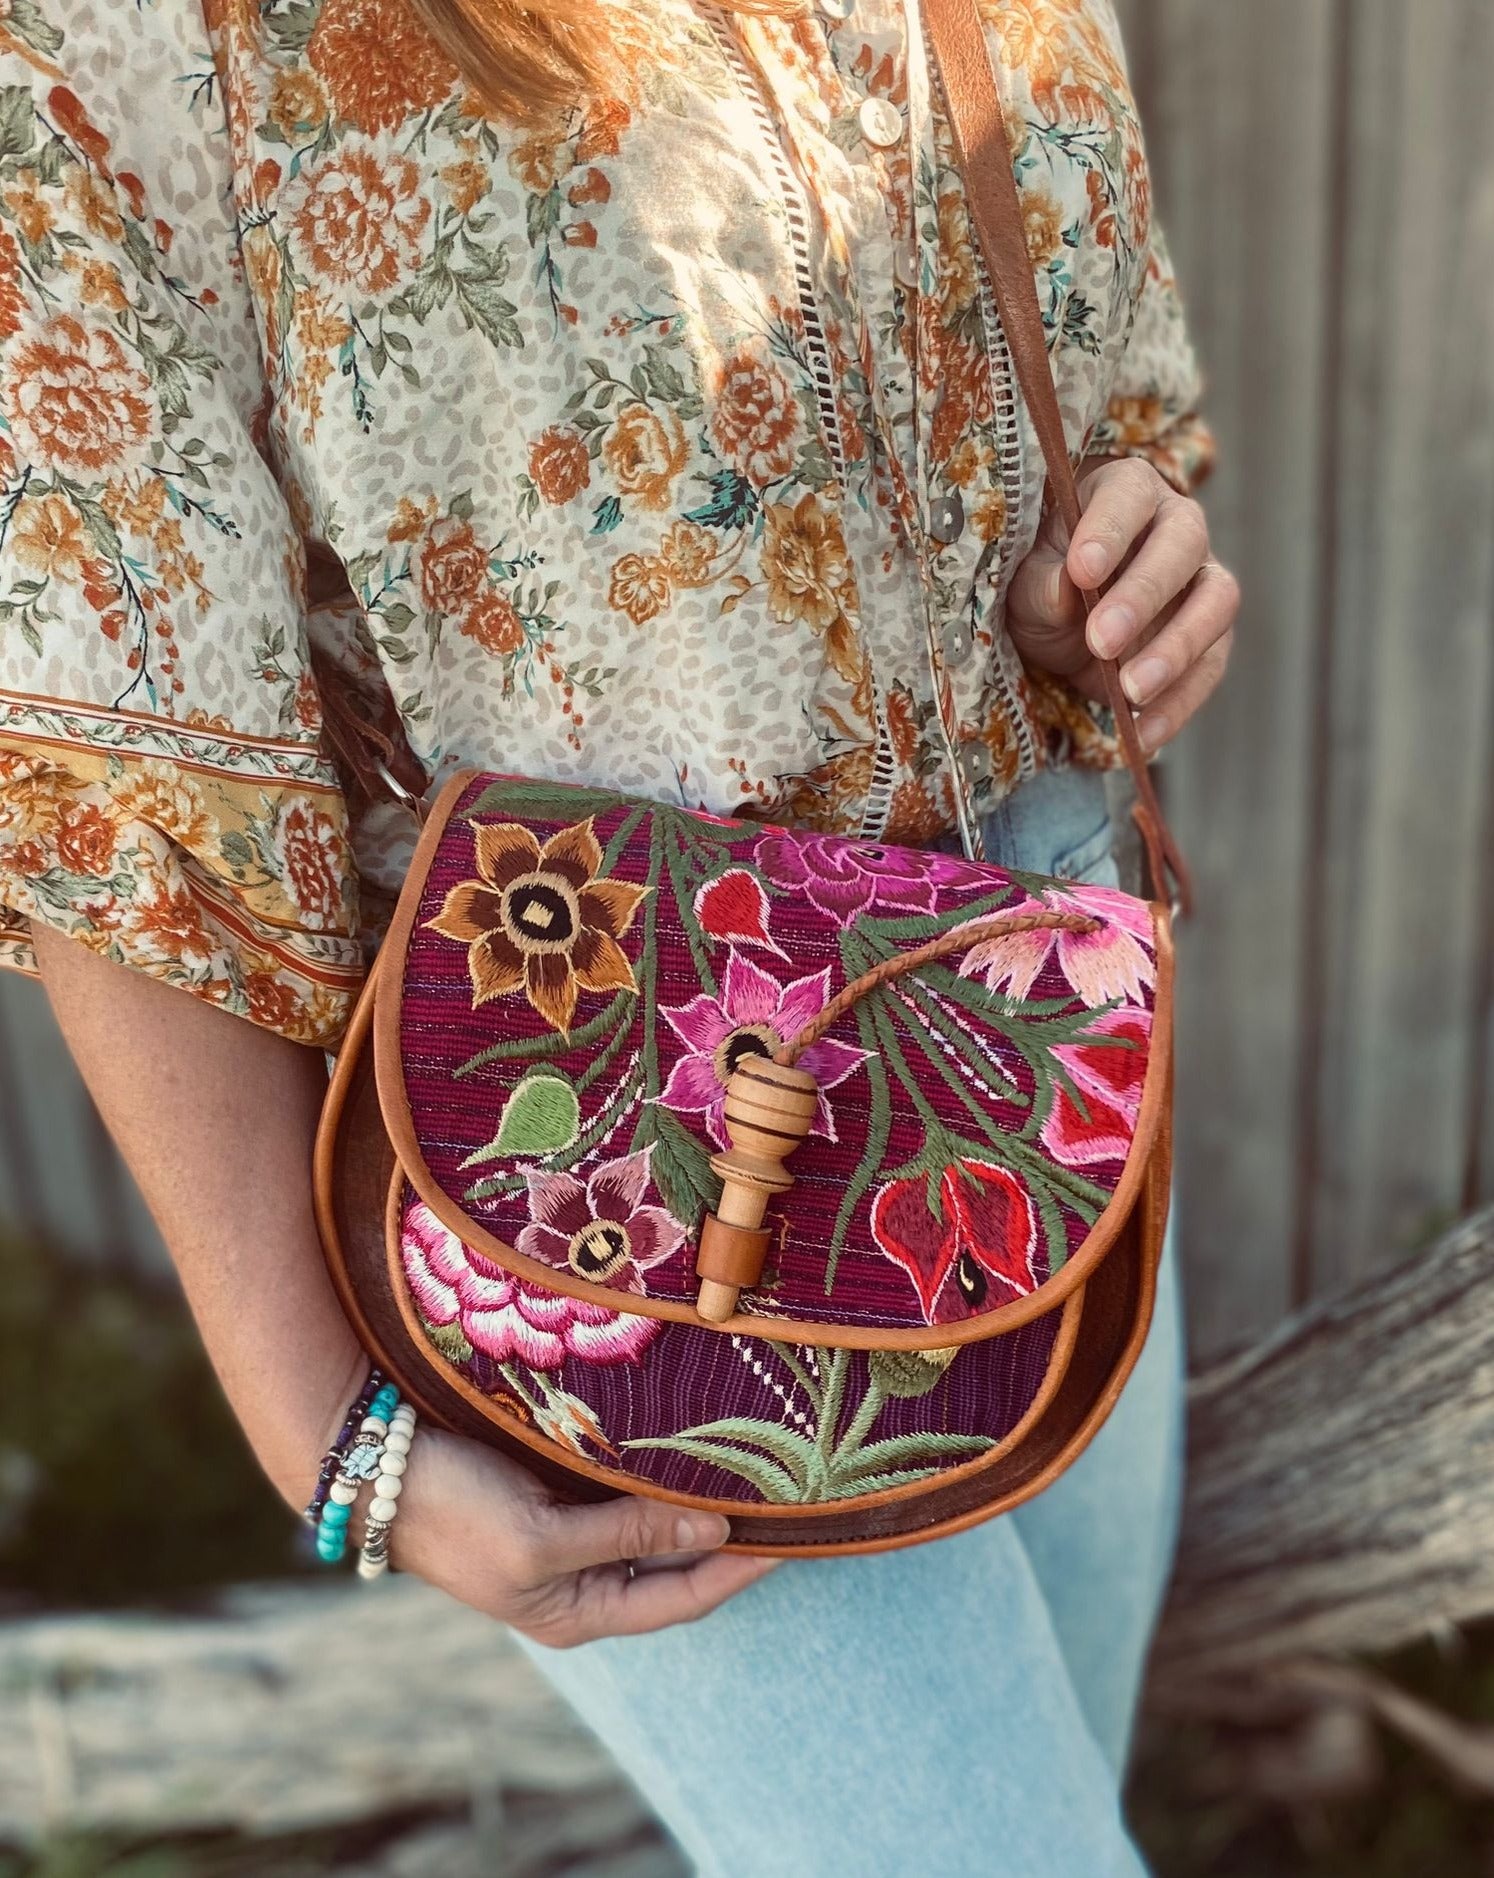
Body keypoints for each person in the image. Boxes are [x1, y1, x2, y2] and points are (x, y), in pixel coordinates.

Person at [0, 0, 1237, 1868]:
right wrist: (328, 1436)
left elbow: (1037, 355)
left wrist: (1100, 580)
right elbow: (98, 736)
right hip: (604, 1146)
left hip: (1029, 1011)